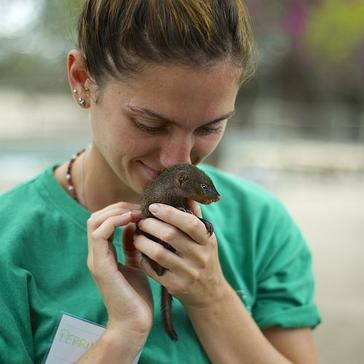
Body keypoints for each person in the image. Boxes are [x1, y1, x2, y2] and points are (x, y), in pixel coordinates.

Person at [0, 1, 321, 363]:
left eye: (209, 127)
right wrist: (123, 335)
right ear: (82, 80)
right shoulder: (9, 240)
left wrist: (210, 295)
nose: (177, 159)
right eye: (149, 124)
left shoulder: (260, 224)